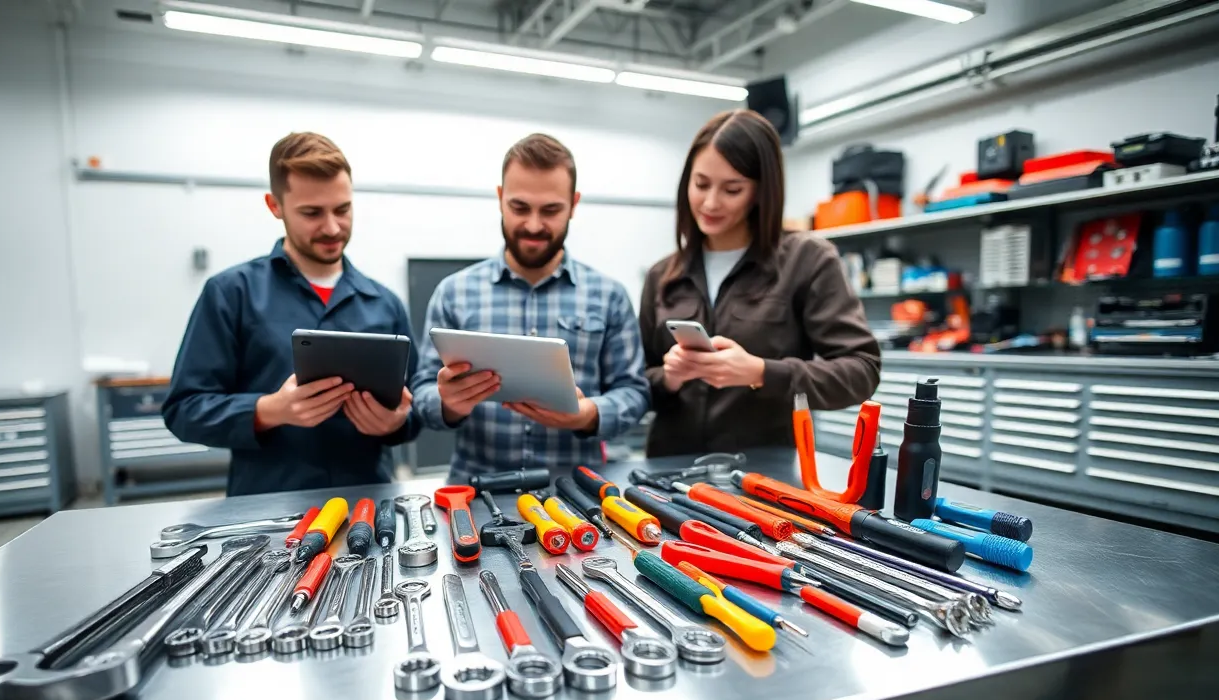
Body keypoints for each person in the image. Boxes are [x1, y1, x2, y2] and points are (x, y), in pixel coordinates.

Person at [163, 132, 420, 496]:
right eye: (312, 213)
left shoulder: (385, 302)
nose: (332, 227)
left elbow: (414, 413)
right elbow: (183, 410)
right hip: (268, 511)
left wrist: (396, 422)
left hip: (368, 507)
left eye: (342, 209)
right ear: (275, 205)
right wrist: (269, 410)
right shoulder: (231, 293)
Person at [638, 110, 880, 457]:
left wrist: (762, 372)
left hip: (762, 478)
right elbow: (633, 383)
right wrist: (669, 378)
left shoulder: (808, 260)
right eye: (701, 184)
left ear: (760, 191)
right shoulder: (662, 275)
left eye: (732, 189)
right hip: (667, 473)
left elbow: (861, 371)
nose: (710, 203)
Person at [412, 133, 650, 480]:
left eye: (551, 210)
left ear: (574, 203)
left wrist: (589, 414)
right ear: (500, 198)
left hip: (578, 498)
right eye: (519, 207)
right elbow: (422, 391)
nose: (534, 225)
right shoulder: (454, 293)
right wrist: (447, 403)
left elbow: (635, 392)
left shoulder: (609, 295)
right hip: (476, 494)